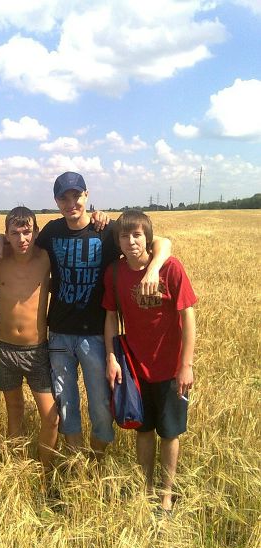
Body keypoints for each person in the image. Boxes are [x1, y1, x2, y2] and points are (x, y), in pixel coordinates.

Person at [36, 172, 172, 460]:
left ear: (86, 195)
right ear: (57, 202)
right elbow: (21, 243)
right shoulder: (51, 231)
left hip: (96, 335)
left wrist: (153, 269)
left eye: (76, 196)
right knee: (66, 402)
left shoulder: (107, 230)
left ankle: (97, 457)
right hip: (59, 334)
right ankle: (76, 460)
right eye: (64, 198)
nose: (71, 203)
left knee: (100, 403)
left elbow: (162, 242)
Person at [102, 209, 196, 513]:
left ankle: (166, 495)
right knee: (143, 430)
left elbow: (188, 316)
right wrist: (112, 357)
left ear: (148, 238)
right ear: (117, 241)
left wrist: (186, 365)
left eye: (137, 235)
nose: (131, 241)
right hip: (134, 368)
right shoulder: (115, 274)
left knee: (169, 432)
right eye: (124, 236)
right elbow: (111, 317)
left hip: (170, 368)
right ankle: (146, 488)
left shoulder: (170, 268)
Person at [0, 207, 59, 473]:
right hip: (4, 348)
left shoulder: (46, 258)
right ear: (7, 234)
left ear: (36, 232)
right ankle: (16, 469)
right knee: (14, 410)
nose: (22, 238)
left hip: (37, 349)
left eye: (27, 231)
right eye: (14, 233)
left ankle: (45, 472)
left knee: (51, 417)